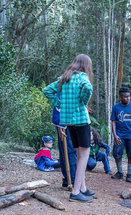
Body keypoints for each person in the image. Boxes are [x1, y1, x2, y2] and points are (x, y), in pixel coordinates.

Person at [43, 54, 95, 203]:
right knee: (84, 155)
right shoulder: (82, 77)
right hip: (81, 120)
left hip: (68, 121)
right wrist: (83, 102)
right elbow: (88, 88)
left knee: (80, 154)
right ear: (86, 66)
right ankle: (76, 192)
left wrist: (59, 104)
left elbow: (47, 90)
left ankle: (83, 188)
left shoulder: (65, 78)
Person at [110, 87, 131, 183]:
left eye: (128, 96)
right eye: (125, 97)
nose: (127, 98)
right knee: (117, 153)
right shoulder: (116, 107)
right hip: (120, 135)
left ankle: (129, 174)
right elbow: (113, 121)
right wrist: (115, 135)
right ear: (120, 97)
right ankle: (119, 172)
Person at [52, 96, 77, 189]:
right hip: (66, 123)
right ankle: (72, 181)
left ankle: (68, 179)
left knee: (66, 151)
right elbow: (58, 108)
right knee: (70, 151)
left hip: (67, 121)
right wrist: (60, 126)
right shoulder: (64, 89)